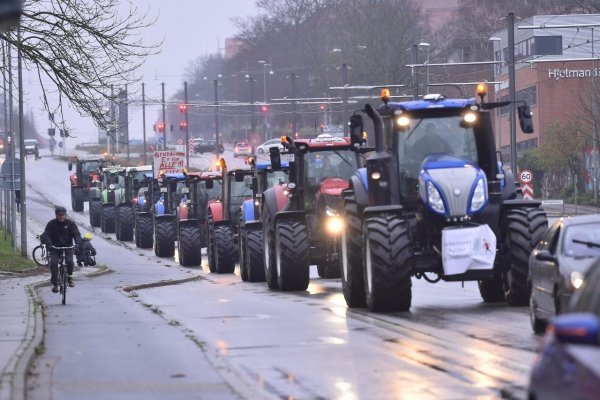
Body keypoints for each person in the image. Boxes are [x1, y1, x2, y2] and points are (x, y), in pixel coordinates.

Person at [42, 206, 82, 293]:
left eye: (63, 215)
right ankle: (55, 284)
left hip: (68, 247)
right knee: (53, 264)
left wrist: (78, 243)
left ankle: (70, 279)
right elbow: (47, 235)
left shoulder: (70, 224)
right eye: (60, 215)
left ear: (66, 215)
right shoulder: (51, 224)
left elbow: (76, 234)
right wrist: (49, 244)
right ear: (56, 215)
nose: (62, 217)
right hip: (55, 248)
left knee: (70, 262)